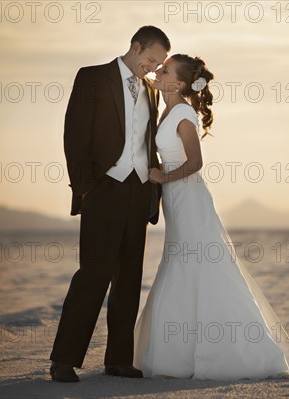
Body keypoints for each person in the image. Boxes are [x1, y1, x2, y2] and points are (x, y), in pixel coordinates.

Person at [133, 54, 289, 380]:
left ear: (180, 84)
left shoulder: (183, 113)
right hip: (176, 201)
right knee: (180, 263)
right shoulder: (165, 107)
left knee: (200, 266)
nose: (159, 71)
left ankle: (231, 353)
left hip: (190, 200)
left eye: (165, 69)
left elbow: (195, 162)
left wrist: (161, 178)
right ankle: (177, 351)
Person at [50, 26, 169, 382]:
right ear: (135, 47)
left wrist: (154, 187)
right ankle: (64, 360)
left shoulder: (151, 91)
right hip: (103, 190)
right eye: (150, 60)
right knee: (93, 274)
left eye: (159, 63)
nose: (153, 68)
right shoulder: (93, 78)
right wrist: (87, 189)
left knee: (130, 277)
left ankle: (118, 360)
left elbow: (146, 141)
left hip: (138, 191)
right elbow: (75, 135)